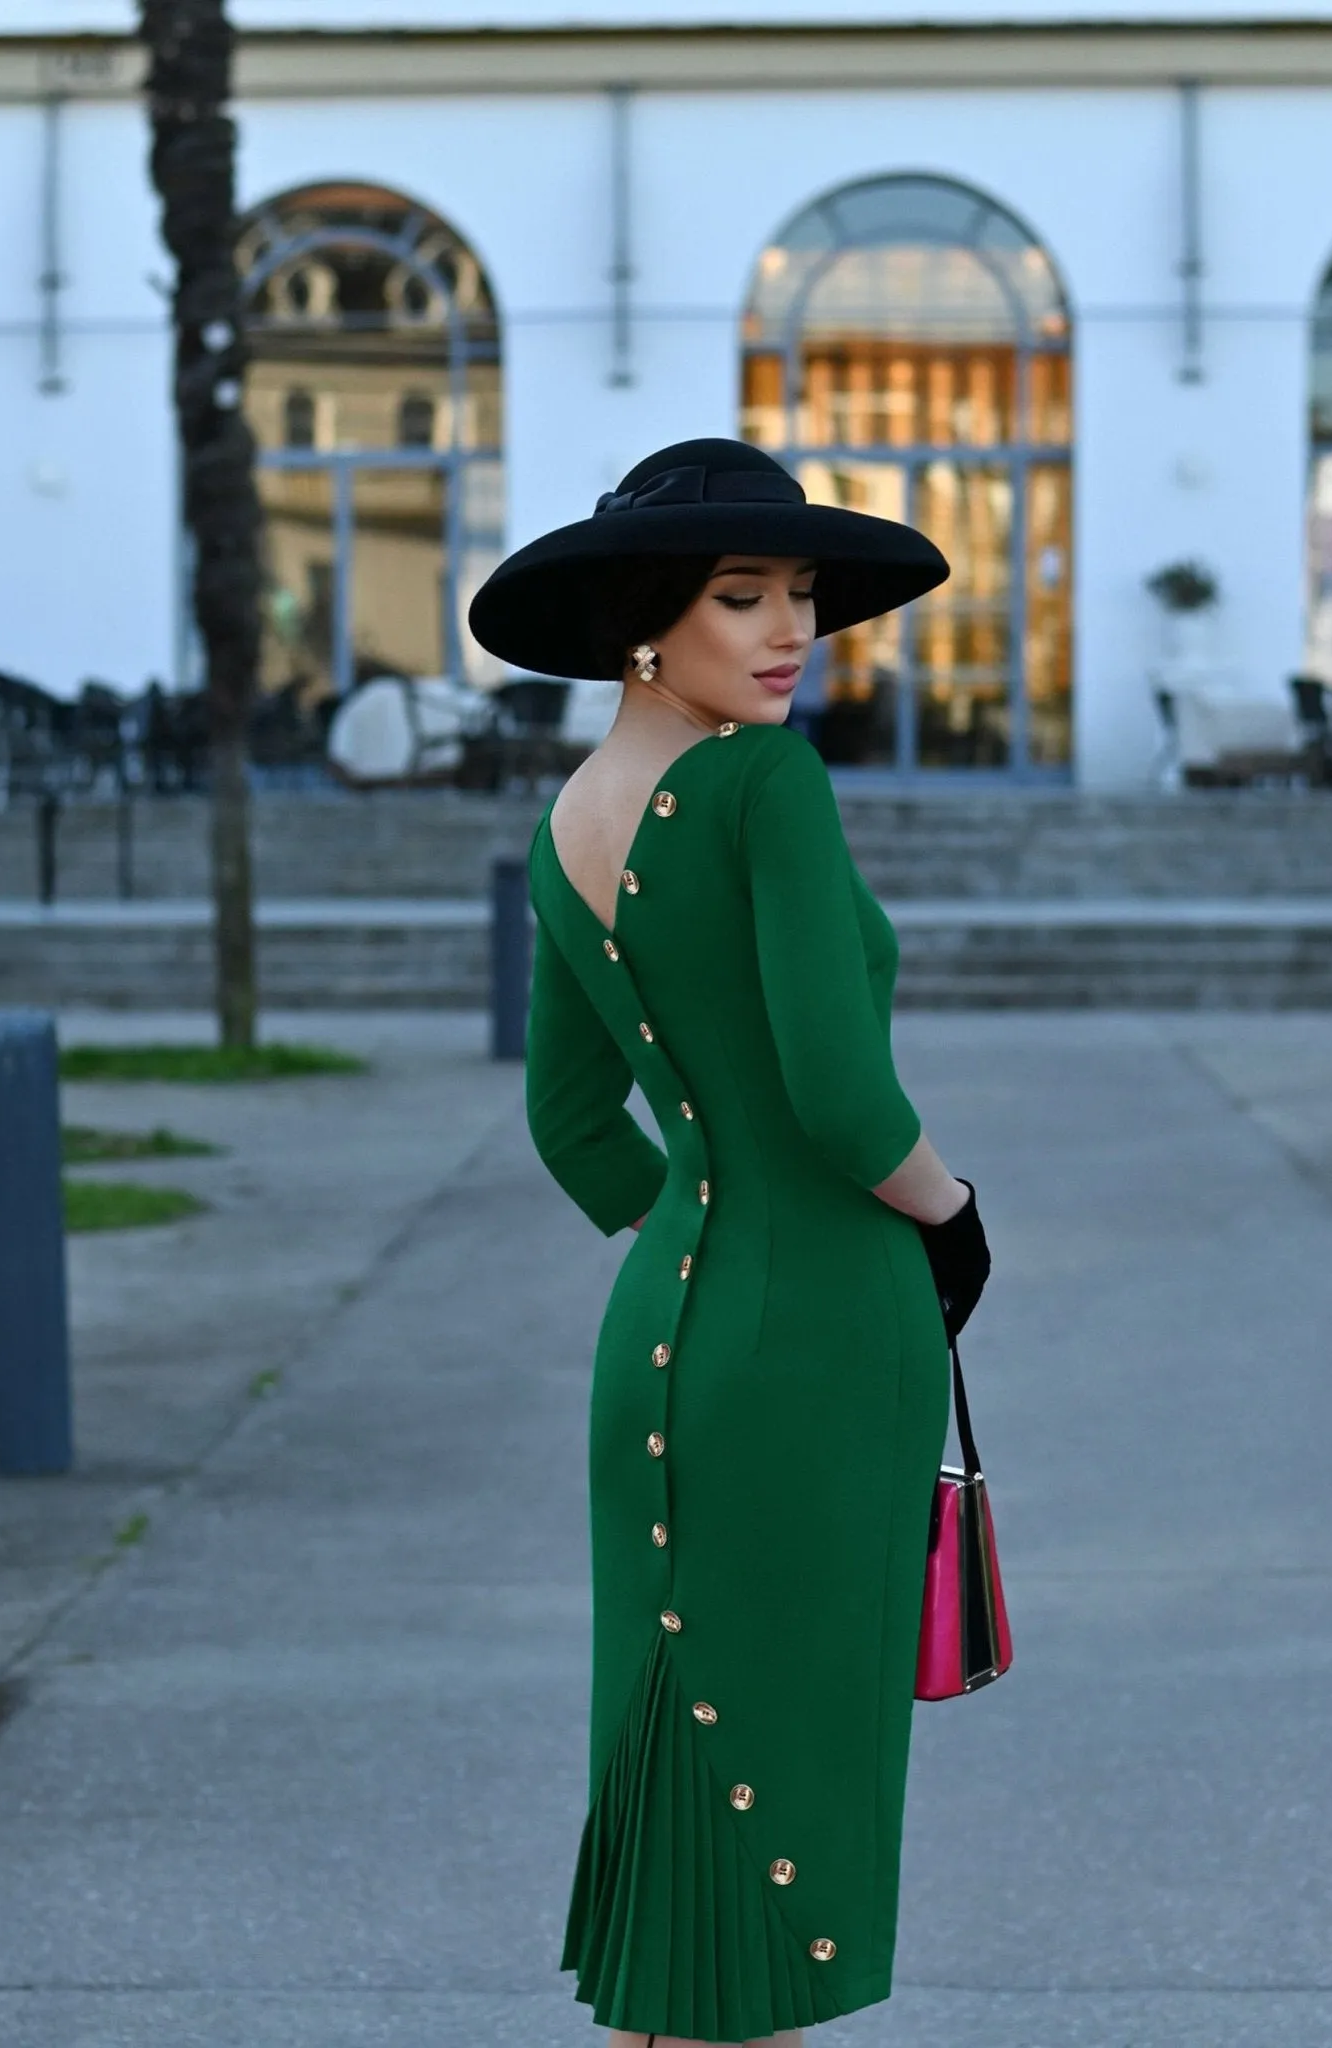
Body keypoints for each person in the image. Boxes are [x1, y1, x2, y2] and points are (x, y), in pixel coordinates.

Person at [469, 438, 993, 2048]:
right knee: (782, 1818)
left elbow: (570, 1127)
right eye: (741, 596)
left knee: (696, 1789)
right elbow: (842, 1096)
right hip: (820, 1334)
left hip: (664, 1345)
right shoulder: (765, 782)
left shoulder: (573, 817)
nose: (788, 634)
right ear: (648, 620)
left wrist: (699, 1224)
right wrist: (951, 1214)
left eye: (804, 602)